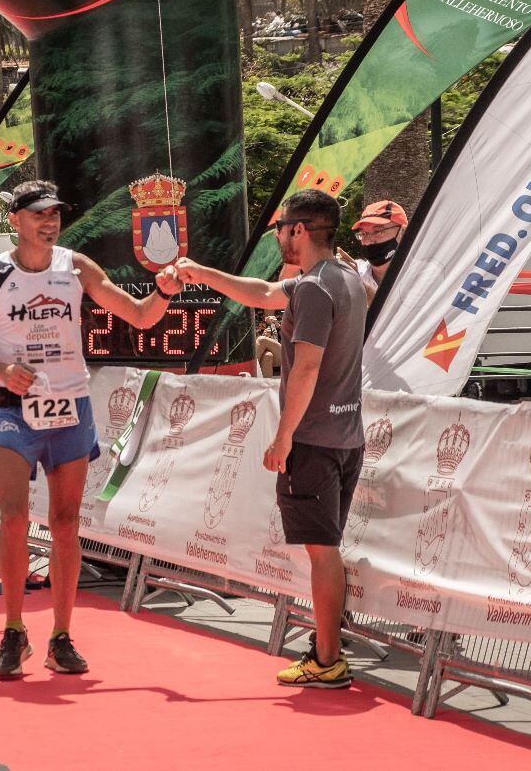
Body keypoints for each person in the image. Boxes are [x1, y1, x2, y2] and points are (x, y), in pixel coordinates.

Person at [0, 179, 181, 680]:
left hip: (70, 408)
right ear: (14, 220)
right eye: (39, 213)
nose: (50, 221)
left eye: (55, 213)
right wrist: (2, 372)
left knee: (64, 523)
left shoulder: (76, 267)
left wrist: (164, 291)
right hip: (14, 410)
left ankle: (60, 637)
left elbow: (140, 316)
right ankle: (14, 630)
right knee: (13, 518)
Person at [172, 188, 365, 690]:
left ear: (299, 230)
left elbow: (306, 369)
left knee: (322, 551)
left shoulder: (313, 289)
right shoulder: (343, 279)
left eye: (281, 227)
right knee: (327, 549)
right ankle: (327, 651)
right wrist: (203, 273)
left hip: (315, 440)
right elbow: (261, 294)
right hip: (346, 437)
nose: (277, 235)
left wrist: (283, 439)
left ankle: (327, 659)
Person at [351, 199, 408, 305]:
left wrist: (360, 285)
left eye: (378, 231)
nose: (368, 241)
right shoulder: (353, 273)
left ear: (403, 232)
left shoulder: (423, 276)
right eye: (363, 233)